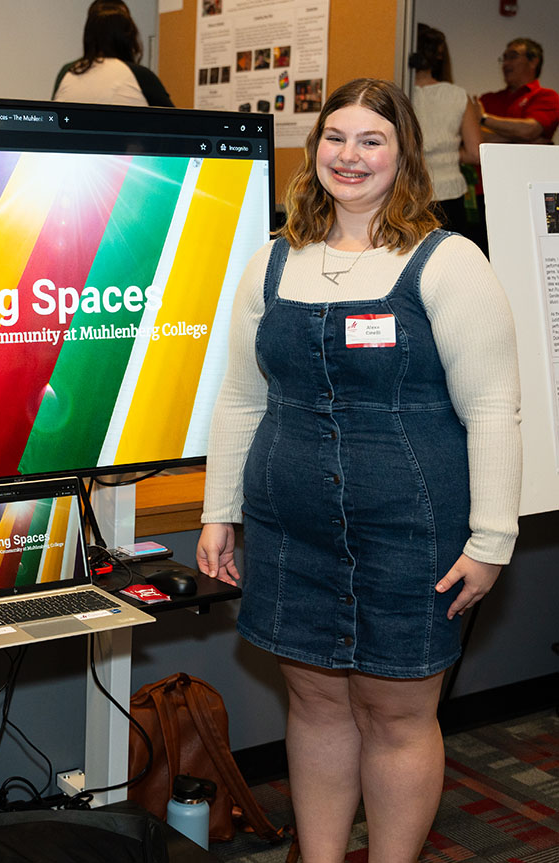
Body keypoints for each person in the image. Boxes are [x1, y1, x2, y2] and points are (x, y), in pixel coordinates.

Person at [196, 78, 521, 861]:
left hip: (410, 531)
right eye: (336, 137)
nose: (350, 155)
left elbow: (493, 408)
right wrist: (218, 509)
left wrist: (492, 539)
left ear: (403, 154)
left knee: (397, 714)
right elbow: (240, 396)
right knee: (314, 705)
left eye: (372, 140)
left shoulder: (449, 261)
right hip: (289, 530)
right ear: (315, 149)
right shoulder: (272, 260)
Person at [472, 38, 559, 253]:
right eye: (504, 58)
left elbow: (530, 130)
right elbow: (474, 138)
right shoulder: (488, 99)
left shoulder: (547, 97)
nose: (505, 63)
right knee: (487, 255)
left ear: (533, 61)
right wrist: (523, 139)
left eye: (512, 56)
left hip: (531, 195)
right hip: (487, 193)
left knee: (533, 253)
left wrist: (484, 119)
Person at [409, 24, 481, 238]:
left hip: (408, 192)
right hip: (450, 194)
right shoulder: (457, 95)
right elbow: (475, 153)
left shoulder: (396, 92)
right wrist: (447, 152)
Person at [53, 2, 172, 108]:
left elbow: (50, 118)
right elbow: (176, 122)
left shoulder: (68, 71)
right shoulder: (141, 76)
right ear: (128, 35)